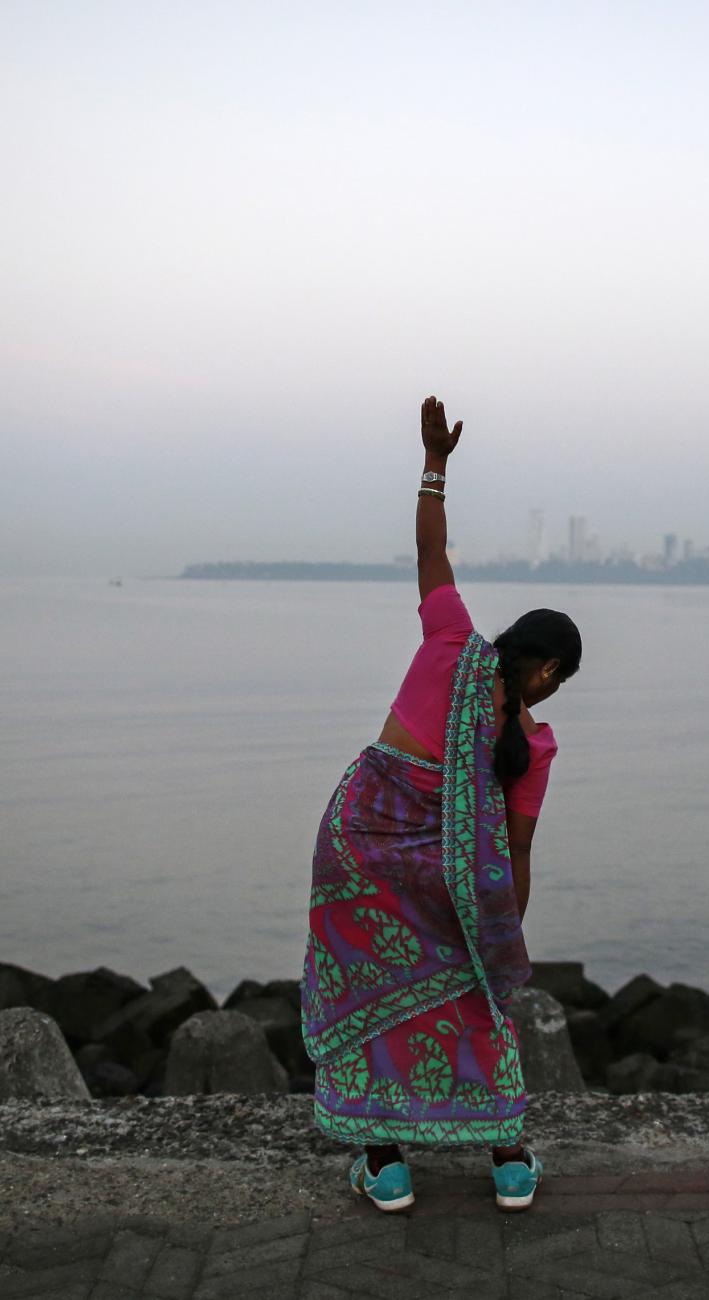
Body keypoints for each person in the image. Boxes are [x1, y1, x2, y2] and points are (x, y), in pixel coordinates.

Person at [299, 394, 582, 1213]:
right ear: (549, 674)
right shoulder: (535, 745)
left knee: (367, 999)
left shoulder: (453, 640)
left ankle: (385, 1164)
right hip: (453, 883)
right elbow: (517, 852)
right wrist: (505, 936)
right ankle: (508, 1160)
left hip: (355, 849)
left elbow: (430, 553)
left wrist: (435, 465)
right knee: (472, 1000)